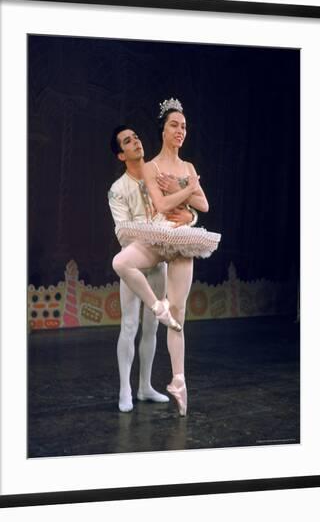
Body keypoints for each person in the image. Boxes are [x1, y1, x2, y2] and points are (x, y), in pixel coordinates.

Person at [112, 99, 221, 416]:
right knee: (123, 271)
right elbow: (162, 206)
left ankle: (178, 381)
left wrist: (185, 199)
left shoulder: (187, 168)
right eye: (174, 124)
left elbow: (204, 206)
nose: (180, 130)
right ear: (162, 130)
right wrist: (187, 191)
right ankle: (126, 388)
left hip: (180, 243)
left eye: (184, 126)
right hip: (152, 240)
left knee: (178, 317)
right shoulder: (148, 169)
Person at [108, 125, 197, 413]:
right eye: (128, 141)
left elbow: (179, 207)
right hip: (134, 259)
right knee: (129, 325)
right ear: (121, 155)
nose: (136, 142)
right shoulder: (118, 189)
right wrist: (151, 238)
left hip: (158, 262)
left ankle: (145, 386)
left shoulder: (156, 173)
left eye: (136, 137)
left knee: (152, 329)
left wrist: (190, 216)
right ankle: (125, 389)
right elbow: (122, 233)